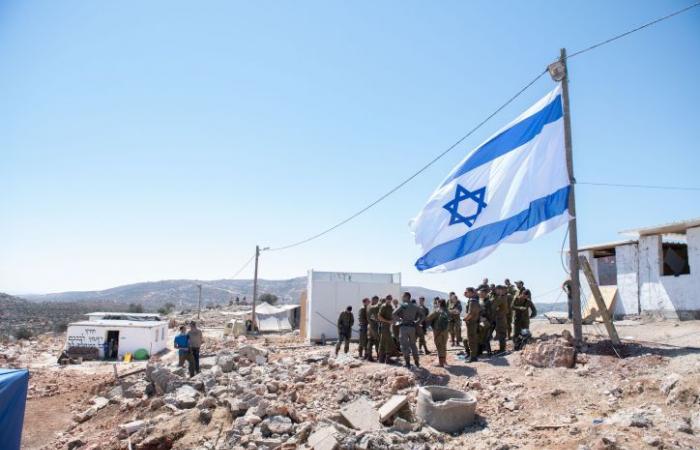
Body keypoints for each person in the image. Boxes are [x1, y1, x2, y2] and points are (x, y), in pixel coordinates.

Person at [393, 292, 422, 368]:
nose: (402, 298)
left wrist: (400, 319)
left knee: (404, 345)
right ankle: (416, 361)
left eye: (403, 296)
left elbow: (394, 313)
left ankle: (408, 363)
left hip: (404, 327)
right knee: (413, 345)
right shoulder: (415, 306)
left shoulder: (403, 305)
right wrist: (417, 322)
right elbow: (422, 315)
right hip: (412, 327)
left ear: (406, 297)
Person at [425, 299, 450, 367]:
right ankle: (444, 361)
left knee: (439, 346)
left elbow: (428, 318)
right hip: (445, 331)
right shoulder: (447, 311)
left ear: (439, 303)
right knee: (444, 346)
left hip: (438, 331)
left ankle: (441, 363)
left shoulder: (437, 310)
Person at [463, 287, 481, 362]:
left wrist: (465, 319)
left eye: (467, 292)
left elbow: (471, 313)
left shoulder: (473, 301)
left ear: (471, 292)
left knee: (471, 340)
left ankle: (473, 357)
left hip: (472, 323)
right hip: (473, 322)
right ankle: (473, 355)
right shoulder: (474, 300)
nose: (465, 293)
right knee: (472, 339)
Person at [377, 297, 396, 364]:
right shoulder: (383, 306)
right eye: (388, 299)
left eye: (390, 299)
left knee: (383, 342)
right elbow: (379, 317)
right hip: (384, 326)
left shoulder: (390, 306)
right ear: (386, 299)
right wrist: (388, 321)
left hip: (388, 326)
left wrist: (393, 320)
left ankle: (381, 359)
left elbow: (392, 315)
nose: (389, 300)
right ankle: (387, 359)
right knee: (388, 341)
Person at [491, 285, 510, 353]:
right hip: (500, 317)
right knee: (501, 333)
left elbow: (493, 307)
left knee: (501, 334)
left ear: (501, 290)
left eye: (497, 290)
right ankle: (502, 349)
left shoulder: (501, 298)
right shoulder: (502, 297)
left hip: (500, 318)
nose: (496, 291)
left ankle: (502, 350)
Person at [479, 288, 495, 356]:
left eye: (481, 293)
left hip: (488, 321)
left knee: (486, 338)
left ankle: (489, 353)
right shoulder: (483, 301)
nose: (480, 294)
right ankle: (481, 351)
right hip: (485, 321)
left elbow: (488, 313)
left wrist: (482, 316)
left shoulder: (488, 302)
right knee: (482, 337)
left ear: (485, 294)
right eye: (480, 293)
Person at [366, 296, 380, 361]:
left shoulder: (368, 306)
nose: (377, 302)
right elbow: (375, 317)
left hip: (370, 325)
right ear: (374, 300)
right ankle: (378, 355)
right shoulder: (372, 307)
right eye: (377, 301)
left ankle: (369, 356)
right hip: (373, 326)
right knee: (377, 341)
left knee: (370, 341)